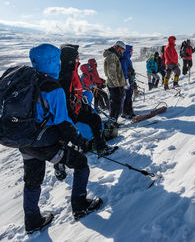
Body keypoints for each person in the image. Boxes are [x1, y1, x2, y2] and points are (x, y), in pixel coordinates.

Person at [20, 43, 102, 233]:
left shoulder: (29, 82)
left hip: (25, 142)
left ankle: (32, 221)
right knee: (80, 162)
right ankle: (80, 205)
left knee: (32, 180)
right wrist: (81, 142)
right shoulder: (53, 88)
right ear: (50, 62)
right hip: (45, 143)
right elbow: (63, 123)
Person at [59, 44, 114, 156]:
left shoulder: (70, 71)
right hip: (72, 111)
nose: (78, 58)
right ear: (71, 58)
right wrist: (73, 113)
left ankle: (95, 146)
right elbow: (65, 95)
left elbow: (75, 90)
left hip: (77, 107)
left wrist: (81, 99)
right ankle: (100, 148)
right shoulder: (67, 74)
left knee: (94, 119)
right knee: (94, 120)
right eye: (77, 56)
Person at [103, 40, 126, 125]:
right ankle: (112, 121)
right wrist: (117, 86)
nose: (122, 52)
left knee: (116, 103)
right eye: (122, 50)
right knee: (115, 104)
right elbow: (111, 72)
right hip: (114, 85)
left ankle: (114, 120)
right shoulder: (112, 56)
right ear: (118, 48)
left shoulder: (114, 55)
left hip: (115, 84)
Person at [121, 45, 136, 119]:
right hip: (127, 81)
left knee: (129, 96)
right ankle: (125, 112)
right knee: (127, 96)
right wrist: (127, 80)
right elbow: (124, 71)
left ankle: (130, 111)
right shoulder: (124, 59)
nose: (132, 53)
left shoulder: (127, 59)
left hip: (130, 80)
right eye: (131, 51)